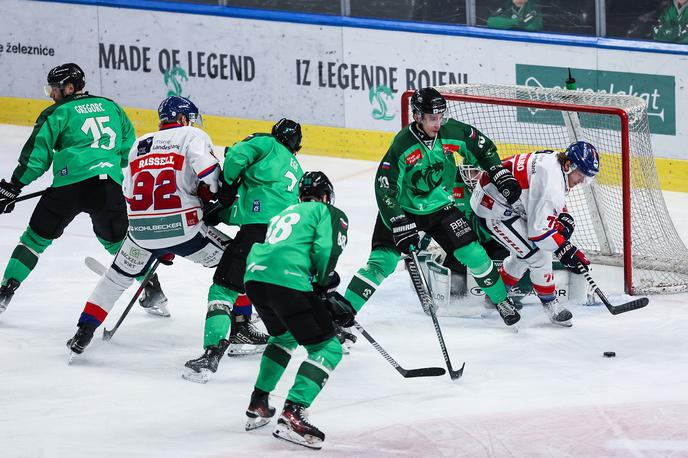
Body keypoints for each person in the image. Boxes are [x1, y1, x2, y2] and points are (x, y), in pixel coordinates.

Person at [343, 87, 522, 331]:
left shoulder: (450, 131)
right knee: (381, 262)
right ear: (417, 117)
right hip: (404, 209)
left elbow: (482, 147)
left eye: (440, 116)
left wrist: (499, 172)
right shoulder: (403, 145)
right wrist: (397, 220)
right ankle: (341, 315)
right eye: (431, 118)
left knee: (474, 254)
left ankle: (502, 301)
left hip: (440, 206)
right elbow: (384, 186)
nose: (438, 123)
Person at [0, 63, 165, 316]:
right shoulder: (112, 107)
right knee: (119, 243)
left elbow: (36, 158)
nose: (51, 94)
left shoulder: (56, 113)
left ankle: (5, 292)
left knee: (34, 240)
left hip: (69, 187)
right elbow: (127, 151)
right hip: (109, 187)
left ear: (69, 87)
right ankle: (153, 290)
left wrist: (14, 186)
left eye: (54, 89)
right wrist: (105, 162)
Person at [66, 96, 226, 354]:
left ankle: (82, 333)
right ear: (184, 119)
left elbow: (127, 192)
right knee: (236, 262)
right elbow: (209, 175)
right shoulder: (191, 136)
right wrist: (216, 195)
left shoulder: (140, 143)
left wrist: (153, 229)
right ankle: (242, 325)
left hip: (140, 232)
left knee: (114, 279)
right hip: (184, 228)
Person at [183, 118, 305, 383]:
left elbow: (237, 156)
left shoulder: (266, 142)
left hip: (259, 233)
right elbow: (259, 206)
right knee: (253, 281)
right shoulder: (296, 168)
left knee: (223, 287)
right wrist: (224, 213)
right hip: (288, 239)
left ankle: (211, 353)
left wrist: (226, 189)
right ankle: (242, 329)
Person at [242, 171, 352, 450]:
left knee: (285, 337)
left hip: (255, 278)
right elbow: (325, 249)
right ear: (326, 196)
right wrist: (324, 284)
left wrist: (317, 288)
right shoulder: (328, 211)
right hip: (287, 279)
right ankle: (293, 413)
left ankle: (259, 401)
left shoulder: (282, 213)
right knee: (328, 349)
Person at [469, 141, 599, 327]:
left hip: (504, 199)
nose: (582, 181)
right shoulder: (552, 182)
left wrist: (563, 216)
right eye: (581, 175)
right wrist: (566, 250)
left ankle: (495, 298)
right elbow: (539, 233)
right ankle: (551, 307)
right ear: (569, 165)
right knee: (538, 256)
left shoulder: (556, 163)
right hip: (493, 208)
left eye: (587, 177)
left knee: (524, 254)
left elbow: (545, 200)